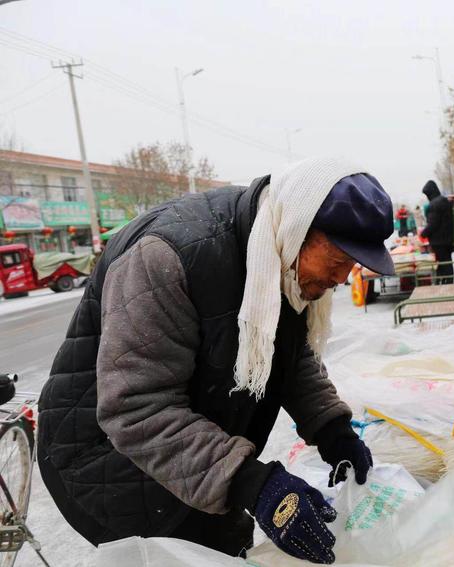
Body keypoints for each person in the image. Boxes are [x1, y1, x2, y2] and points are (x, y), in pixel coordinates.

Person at [37, 158, 395, 564]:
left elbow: (284, 352)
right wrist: (252, 484)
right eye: (336, 263)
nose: (341, 279)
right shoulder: (166, 257)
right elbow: (136, 409)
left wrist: (332, 429)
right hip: (113, 468)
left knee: (229, 548)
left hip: (195, 456)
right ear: (298, 232)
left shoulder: (277, 259)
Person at [420, 180, 454, 284]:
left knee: (443, 263)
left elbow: (433, 224)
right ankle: (448, 281)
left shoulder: (434, 204)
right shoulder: (444, 201)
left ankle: (446, 283)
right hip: (447, 239)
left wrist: (423, 233)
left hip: (438, 241)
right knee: (447, 262)